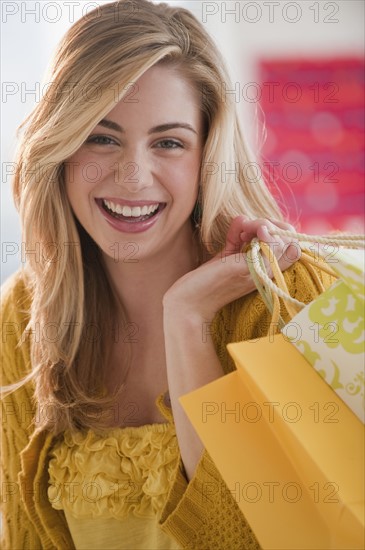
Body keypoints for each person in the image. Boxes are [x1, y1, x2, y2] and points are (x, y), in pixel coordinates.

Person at [0, 1, 333, 548]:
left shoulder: (283, 299)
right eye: (101, 137)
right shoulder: (23, 314)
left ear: (208, 157)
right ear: (58, 147)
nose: (133, 176)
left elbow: (271, 537)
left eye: (169, 142)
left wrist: (188, 320)